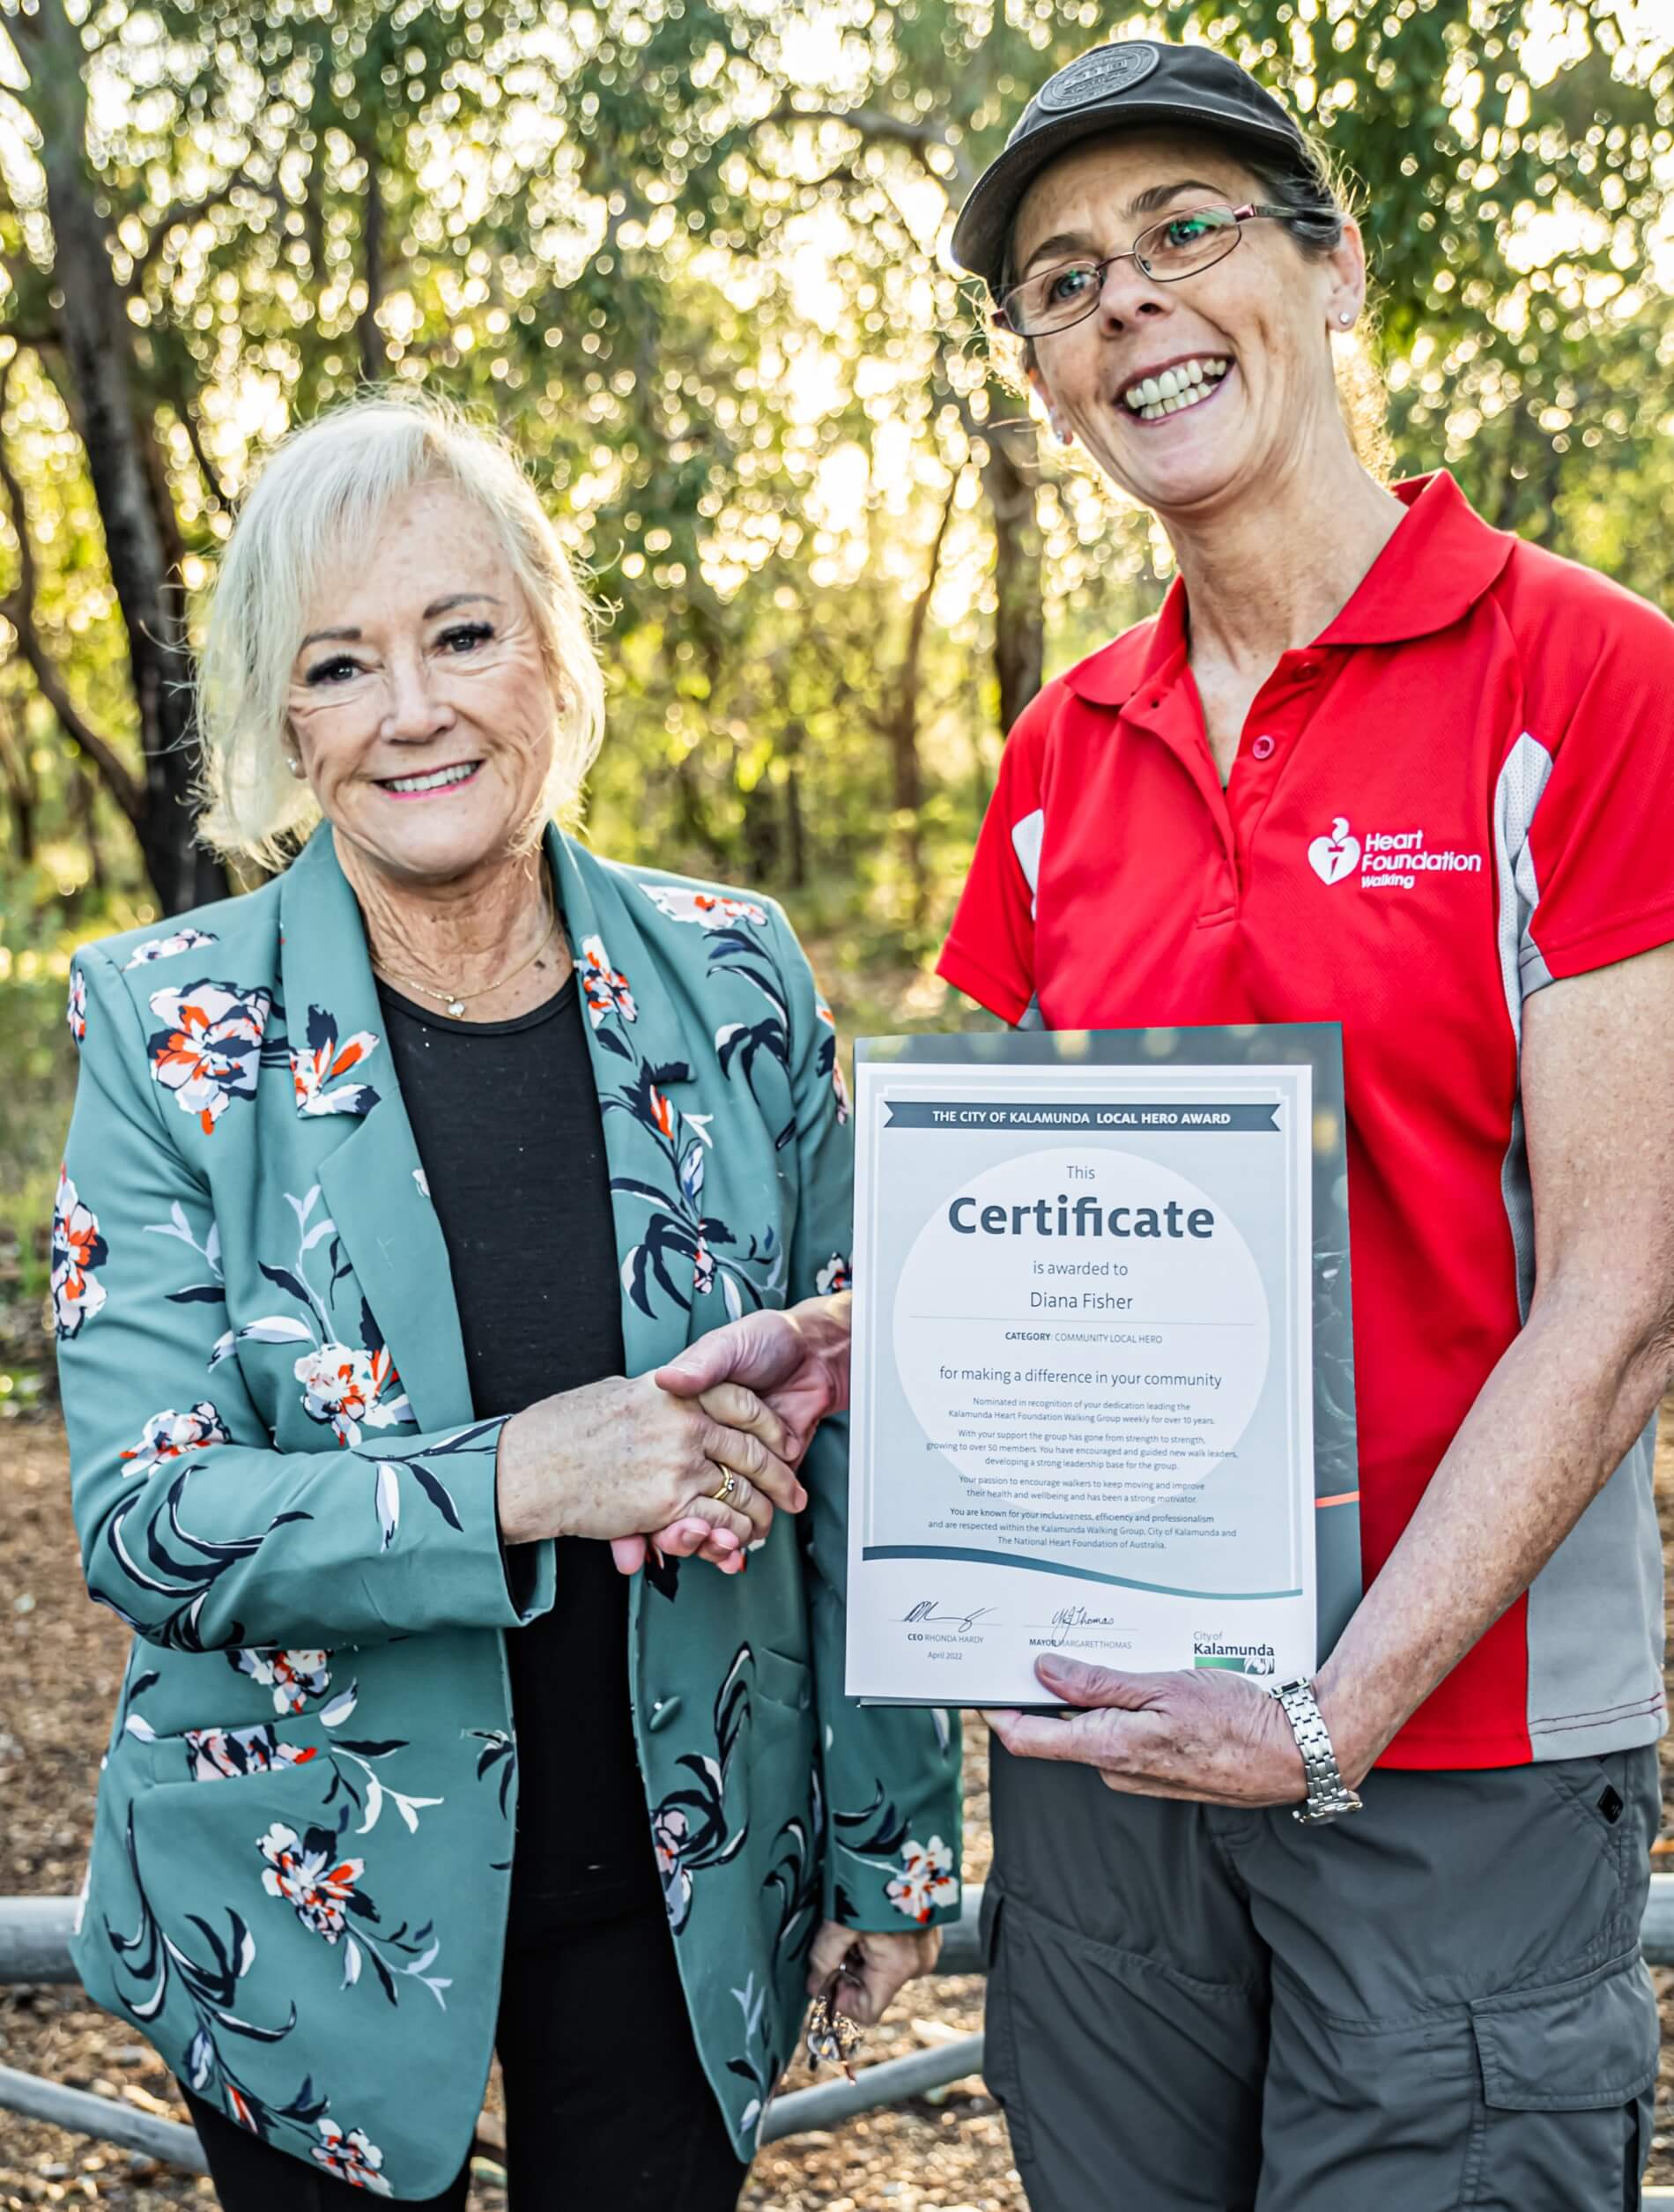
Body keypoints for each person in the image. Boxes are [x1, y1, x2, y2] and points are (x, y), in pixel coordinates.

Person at [684, 35, 1674, 2211]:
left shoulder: (1588, 681)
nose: (1120, 298)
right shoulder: (1056, 757)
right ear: (1041, 377)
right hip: (1095, 1725)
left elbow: (1621, 1297)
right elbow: (1050, 1240)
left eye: (1180, 230)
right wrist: (885, 1345)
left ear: (1332, 277)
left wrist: (1329, 1713)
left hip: (1459, 1752)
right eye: (1057, 279)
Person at [54, 393, 959, 2208]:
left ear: (547, 643)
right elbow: (147, 1520)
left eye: (461, 633)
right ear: (282, 718)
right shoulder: (165, 1026)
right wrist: (518, 1479)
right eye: (338, 663)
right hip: (301, 1907)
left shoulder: (739, 978)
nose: (413, 709)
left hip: (681, 1880)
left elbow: (873, 1430)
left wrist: (893, 1840)